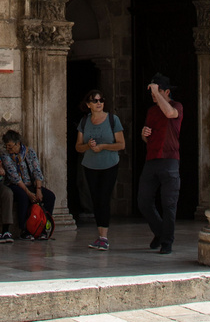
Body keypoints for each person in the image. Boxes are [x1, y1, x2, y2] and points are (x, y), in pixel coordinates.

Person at [136, 73, 183, 254]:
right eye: (152, 92)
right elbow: (148, 138)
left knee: (169, 203)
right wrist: (144, 134)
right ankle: (160, 232)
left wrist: (158, 93)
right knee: (144, 201)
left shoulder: (176, 106)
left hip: (170, 161)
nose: (153, 95)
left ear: (167, 92)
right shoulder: (151, 111)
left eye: (157, 91)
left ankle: (167, 242)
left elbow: (170, 113)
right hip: (152, 160)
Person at [74, 89, 125, 251]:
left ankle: (104, 237)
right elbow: (78, 147)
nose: (98, 103)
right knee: (96, 199)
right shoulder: (84, 122)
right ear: (88, 105)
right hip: (90, 165)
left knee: (104, 198)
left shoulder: (112, 119)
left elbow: (121, 144)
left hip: (109, 164)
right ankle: (100, 235)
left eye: (101, 100)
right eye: (95, 101)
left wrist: (103, 146)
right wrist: (88, 146)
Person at [1, 129, 56, 239]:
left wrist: (38, 190)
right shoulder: (6, 156)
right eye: (6, 146)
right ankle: (24, 229)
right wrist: (29, 193)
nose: (8, 149)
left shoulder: (29, 152)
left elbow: (36, 170)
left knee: (50, 196)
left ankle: (44, 227)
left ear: (18, 144)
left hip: (31, 183)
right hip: (16, 185)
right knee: (23, 197)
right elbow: (14, 177)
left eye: (10, 146)